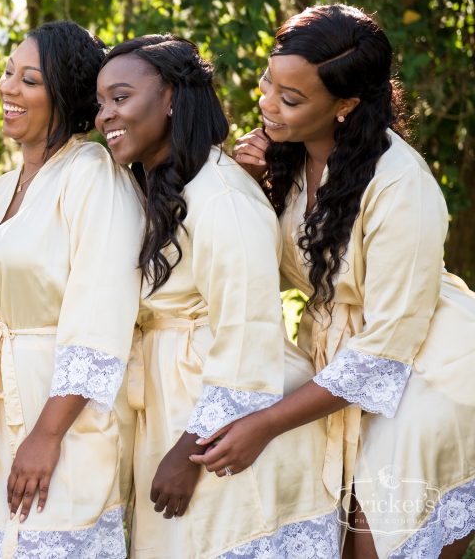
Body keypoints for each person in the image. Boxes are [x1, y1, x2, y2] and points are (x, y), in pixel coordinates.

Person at [213, 3, 475, 558]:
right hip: (337, 361)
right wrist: (251, 188)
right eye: (268, 82)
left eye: (291, 98)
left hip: (430, 365)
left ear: (345, 105)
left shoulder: (402, 184)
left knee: (375, 540)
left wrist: (265, 424)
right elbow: (259, 266)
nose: (266, 103)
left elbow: (384, 349)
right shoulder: (284, 160)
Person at [95, 35, 338, 558]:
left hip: (223, 426)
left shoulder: (224, 197)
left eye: (119, 97)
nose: (103, 116)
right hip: (174, 404)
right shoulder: (167, 187)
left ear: (171, 99)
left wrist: (190, 451)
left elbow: (248, 332)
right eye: (100, 103)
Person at [0, 20, 142, 558]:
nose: (8, 88)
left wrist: (48, 435)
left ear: (65, 94)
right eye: (8, 73)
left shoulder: (93, 175)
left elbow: (101, 315)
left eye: (29, 80)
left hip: (61, 420)